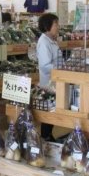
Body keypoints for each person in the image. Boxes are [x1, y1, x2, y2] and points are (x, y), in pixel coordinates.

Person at [36, 13, 63, 141]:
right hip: (48, 83)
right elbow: (45, 65)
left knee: (53, 110)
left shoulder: (52, 41)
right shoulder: (43, 42)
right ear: (48, 26)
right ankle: (45, 137)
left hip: (56, 81)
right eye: (55, 24)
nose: (58, 27)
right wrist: (60, 69)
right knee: (48, 112)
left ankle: (48, 136)